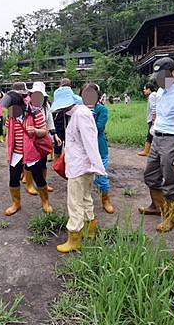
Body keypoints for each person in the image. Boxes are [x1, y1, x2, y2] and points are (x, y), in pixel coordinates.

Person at [140, 57, 174, 233]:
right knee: (150, 175)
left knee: (171, 181)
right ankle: (157, 206)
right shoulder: (162, 92)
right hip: (157, 138)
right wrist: (153, 131)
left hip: (172, 140)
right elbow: (160, 116)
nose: (160, 80)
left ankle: (170, 218)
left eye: (164, 76)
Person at [51, 86, 106, 253]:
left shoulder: (80, 115)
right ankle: (90, 230)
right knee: (85, 198)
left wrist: (98, 166)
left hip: (80, 166)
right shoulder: (78, 113)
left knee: (75, 202)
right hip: (83, 165)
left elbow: (90, 141)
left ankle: (74, 238)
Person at [0, 82, 53, 216]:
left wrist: (35, 130)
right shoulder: (11, 115)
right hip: (16, 153)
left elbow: (44, 131)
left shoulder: (35, 112)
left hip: (32, 152)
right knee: (13, 179)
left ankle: (45, 202)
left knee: (38, 178)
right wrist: (8, 152)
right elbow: (8, 133)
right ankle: (15, 203)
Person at [80, 83, 114, 214]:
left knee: (101, 176)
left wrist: (88, 116)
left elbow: (99, 128)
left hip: (99, 148)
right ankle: (84, 201)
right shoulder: (79, 109)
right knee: (82, 176)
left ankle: (105, 199)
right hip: (83, 148)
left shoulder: (101, 109)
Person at [28, 81, 60, 193]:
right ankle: (29, 185)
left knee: (43, 161)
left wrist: (55, 135)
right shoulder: (27, 106)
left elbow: (50, 121)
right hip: (30, 138)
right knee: (30, 161)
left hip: (42, 136)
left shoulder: (46, 106)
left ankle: (43, 183)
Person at [53, 78, 72, 161]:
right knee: (59, 145)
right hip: (59, 124)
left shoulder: (69, 94)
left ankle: (63, 162)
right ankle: (58, 162)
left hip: (67, 124)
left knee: (68, 145)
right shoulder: (58, 93)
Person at [137, 83, 157, 157]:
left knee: (150, 134)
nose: (144, 90)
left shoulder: (152, 96)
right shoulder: (155, 95)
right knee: (152, 135)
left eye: (145, 89)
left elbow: (154, 108)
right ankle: (150, 151)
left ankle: (146, 151)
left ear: (149, 89)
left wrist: (154, 118)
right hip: (154, 118)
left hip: (152, 119)